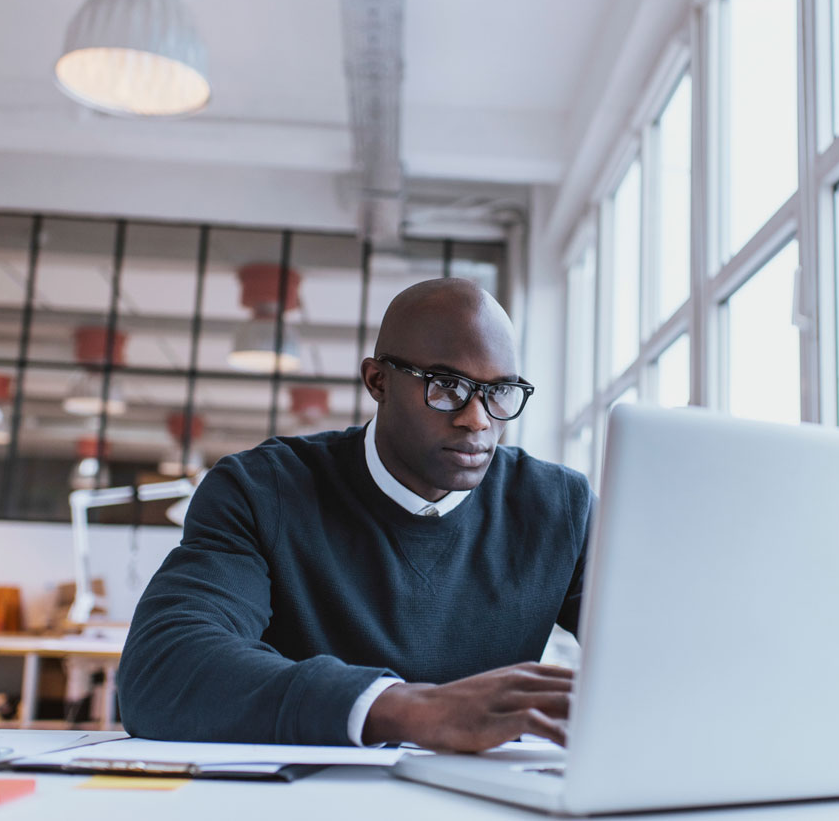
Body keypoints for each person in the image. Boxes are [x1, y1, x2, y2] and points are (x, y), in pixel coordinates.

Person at [117, 278, 593, 752]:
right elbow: (162, 668)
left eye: (501, 391)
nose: (479, 419)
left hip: (490, 800)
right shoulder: (263, 490)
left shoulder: (559, 507)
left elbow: (655, 648)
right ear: (378, 381)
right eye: (447, 387)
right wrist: (404, 709)